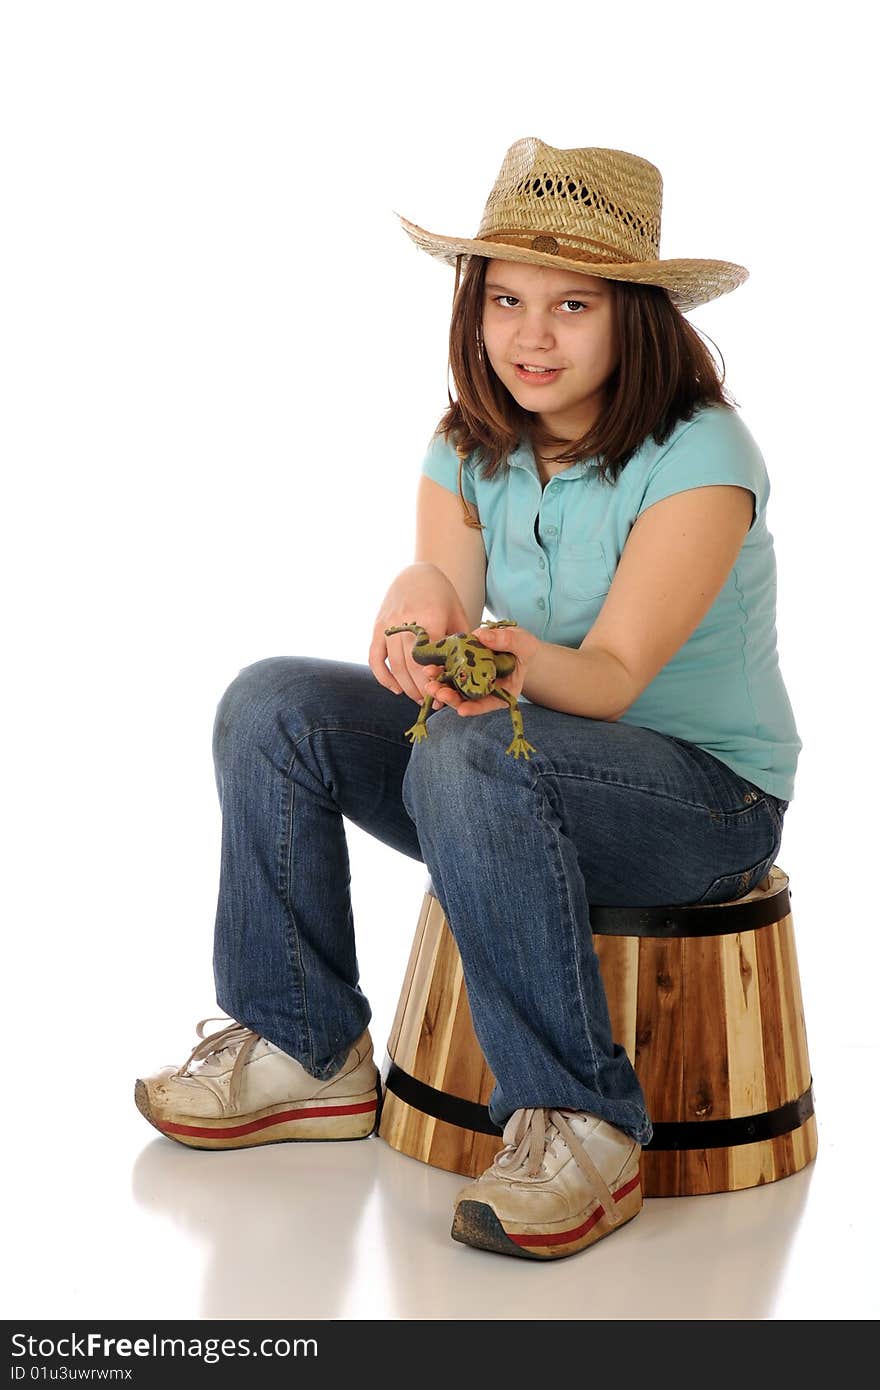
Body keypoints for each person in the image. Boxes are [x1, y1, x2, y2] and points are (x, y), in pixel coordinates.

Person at [135, 138, 801, 1261]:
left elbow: (611, 677)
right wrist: (414, 602)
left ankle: (580, 1123)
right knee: (273, 705)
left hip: (699, 801)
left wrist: (495, 659)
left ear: (633, 314)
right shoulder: (468, 441)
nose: (529, 336)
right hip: (509, 775)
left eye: (571, 306)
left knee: (468, 749)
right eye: (504, 301)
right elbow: (441, 588)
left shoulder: (702, 455)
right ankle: (308, 1046)